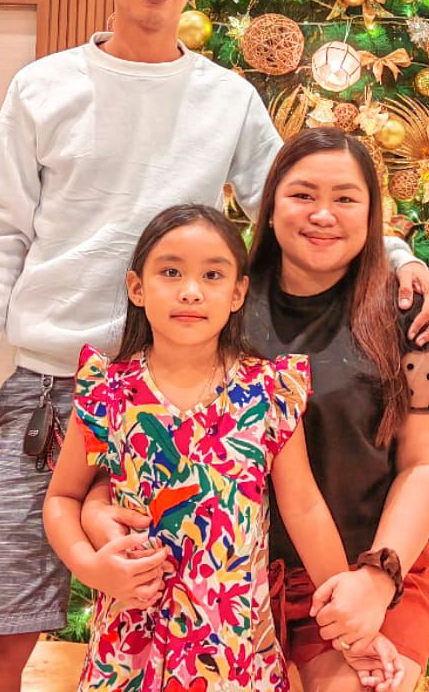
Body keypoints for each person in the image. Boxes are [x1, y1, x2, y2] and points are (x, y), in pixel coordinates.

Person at [0, 0, 429, 690]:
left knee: (186, 634)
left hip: (187, 394)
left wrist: (399, 256)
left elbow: (294, 193)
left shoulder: (226, 98)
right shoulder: (43, 88)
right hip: (56, 393)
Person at [86, 129, 429, 692]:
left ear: (372, 210)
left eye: (346, 198)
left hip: (359, 567)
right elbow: (141, 421)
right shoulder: (221, 299)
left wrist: (377, 580)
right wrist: (99, 514)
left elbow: (426, 464)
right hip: (220, 576)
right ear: (269, 202)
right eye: (303, 194)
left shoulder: (420, 321)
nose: (323, 215)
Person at [44, 203, 403, 692]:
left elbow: (303, 507)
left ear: (238, 293)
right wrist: (91, 568)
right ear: (137, 288)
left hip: (235, 655)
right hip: (128, 651)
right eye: (171, 272)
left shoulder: (267, 392)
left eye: (212, 275)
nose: (191, 290)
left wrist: (351, 625)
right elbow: (63, 498)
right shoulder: (106, 388)